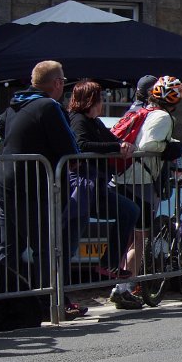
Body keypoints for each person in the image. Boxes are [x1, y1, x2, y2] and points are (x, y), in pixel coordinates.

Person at [0, 61, 83, 323]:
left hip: (7, 180)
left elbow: (1, 130)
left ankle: (6, 302)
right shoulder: (48, 106)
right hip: (34, 185)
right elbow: (71, 150)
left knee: (9, 248)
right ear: (56, 83)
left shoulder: (13, 104)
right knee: (46, 246)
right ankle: (49, 302)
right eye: (63, 82)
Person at [111, 76, 182, 309]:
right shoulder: (163, 116)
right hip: (140, 180)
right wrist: (170, 147)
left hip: (125, 177)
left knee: (132, 237)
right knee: (139, 239)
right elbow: (150, 146)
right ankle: (124, 288)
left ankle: (121, 285)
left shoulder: (145, 111)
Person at [67, 80, 140, 283]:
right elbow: (82, 145)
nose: (102, 103)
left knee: (129, 210)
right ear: (91, 100)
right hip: (81, 188)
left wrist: (122, 145)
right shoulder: (78, 119)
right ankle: (58, 295)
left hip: (96, 187)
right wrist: (116, 148)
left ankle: (109, 263)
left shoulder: (95, 122)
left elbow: (112, 140)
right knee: (69, 242)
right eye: (100, 99)